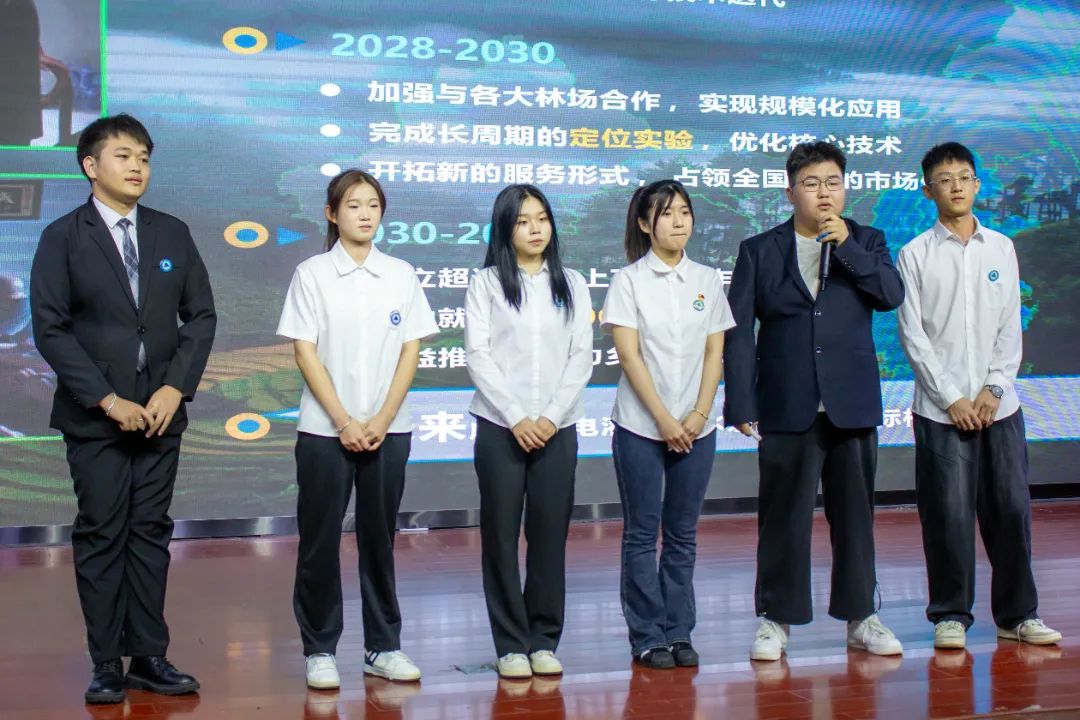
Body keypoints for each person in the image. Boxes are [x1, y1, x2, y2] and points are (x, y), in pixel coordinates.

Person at [29, 113, 216, 704]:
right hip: (95, 417)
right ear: (90, 166)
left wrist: (174, 388)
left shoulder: (171, 233)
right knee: (102, 533)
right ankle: (106, 662)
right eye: (124, 156)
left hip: (160, 416)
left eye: (144, 157)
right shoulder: (63, 236)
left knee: (150, 533)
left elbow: (201, 316)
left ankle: (149, 656)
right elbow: (50, 329)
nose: (138, 167)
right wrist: (108, 400)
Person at [722, 140, 905, 662]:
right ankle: (775, 620)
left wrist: (847, 247)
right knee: (783, 517)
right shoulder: (759, 250)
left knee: (855, 518)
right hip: (786, 402)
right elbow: (739, 331)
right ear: (790, 193)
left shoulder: (866, 240)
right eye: (811, 184)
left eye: (832, 183)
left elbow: (890, 295)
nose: (824, 193)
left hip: (851, 404)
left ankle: (861, 616)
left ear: (844, 189)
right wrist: (741, 402)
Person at [896, 141, 1061, 650]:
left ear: (977, 185)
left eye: (964, 177)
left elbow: (1011, 324)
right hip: (941, 411)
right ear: (928, 190)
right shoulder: (914, 254)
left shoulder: (1001, 248)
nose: (956, 187)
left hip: (999, 408)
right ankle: (950, 614)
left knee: (1010, 510)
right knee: (947, 515)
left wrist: (993, 388)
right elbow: (913, 336)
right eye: (944, 180)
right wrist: (952, 398)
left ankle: (1019, 615)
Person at [277, 169, 437, 689]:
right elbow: (305, 350)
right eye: (353, 205)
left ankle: (383, 646)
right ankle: (320, 649)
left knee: (380, 539)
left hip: (389, 430)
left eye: (373, 205)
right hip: (325, 431)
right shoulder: (312, 274)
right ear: (331, 213)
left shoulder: (400, 274)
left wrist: (383, 418)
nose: (365, 214)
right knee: (319, 541)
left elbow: (411, 348)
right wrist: (344, 421)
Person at [601, 179, 734, 669]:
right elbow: (630, 356)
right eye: (666, 213)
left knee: (682, 534)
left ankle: (679, 631)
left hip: (697, 427)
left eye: (684, 212)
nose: (679, 222)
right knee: (642, 533)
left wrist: (698, 414)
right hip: (641, 425)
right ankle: (647, 635)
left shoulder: (707, 279)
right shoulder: (628, 281)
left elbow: (715, 352)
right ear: (644, 223)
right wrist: (663, 419)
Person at [464, 184, 593, 679]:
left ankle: (543, 639)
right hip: (501, 425)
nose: (536, 229)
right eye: (523, 221)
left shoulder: (572, 283)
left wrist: (550, 416)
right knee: (500, 537)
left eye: (542, 218)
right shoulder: (487, 284)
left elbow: (580, 356)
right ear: (505, 229)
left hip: (558, 427)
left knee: (549, 536)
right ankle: (510, 645)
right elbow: (479, 355)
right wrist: (517, 415)